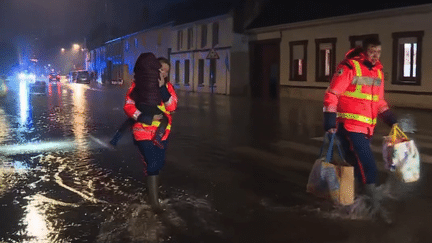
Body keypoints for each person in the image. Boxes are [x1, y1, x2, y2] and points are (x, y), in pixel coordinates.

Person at [323, 37, 397, 224]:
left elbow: (379, 102)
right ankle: (374, 208)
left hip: (366, 128)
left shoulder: (378, 72)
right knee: (368, 165)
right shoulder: (349, 67)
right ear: (364, 50)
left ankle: (353, 203)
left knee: (356, 165)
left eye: (378, 52)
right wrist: (330, 120)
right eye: (372, 51)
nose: (375, 55)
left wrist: (391, 119)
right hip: (348, 126)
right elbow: (332, 94)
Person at [123, 54, 177, 211]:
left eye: (166, 71)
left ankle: (151, 193)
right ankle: (154, 203)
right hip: (142, 132)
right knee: (152, 162)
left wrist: (162, 89)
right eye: (161, 70)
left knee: (157, 164)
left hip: (161, 134)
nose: (163, 74)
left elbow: (172, 107)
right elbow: (128, 107)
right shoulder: (137, 86)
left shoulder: (168, 88)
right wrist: (146, 117)